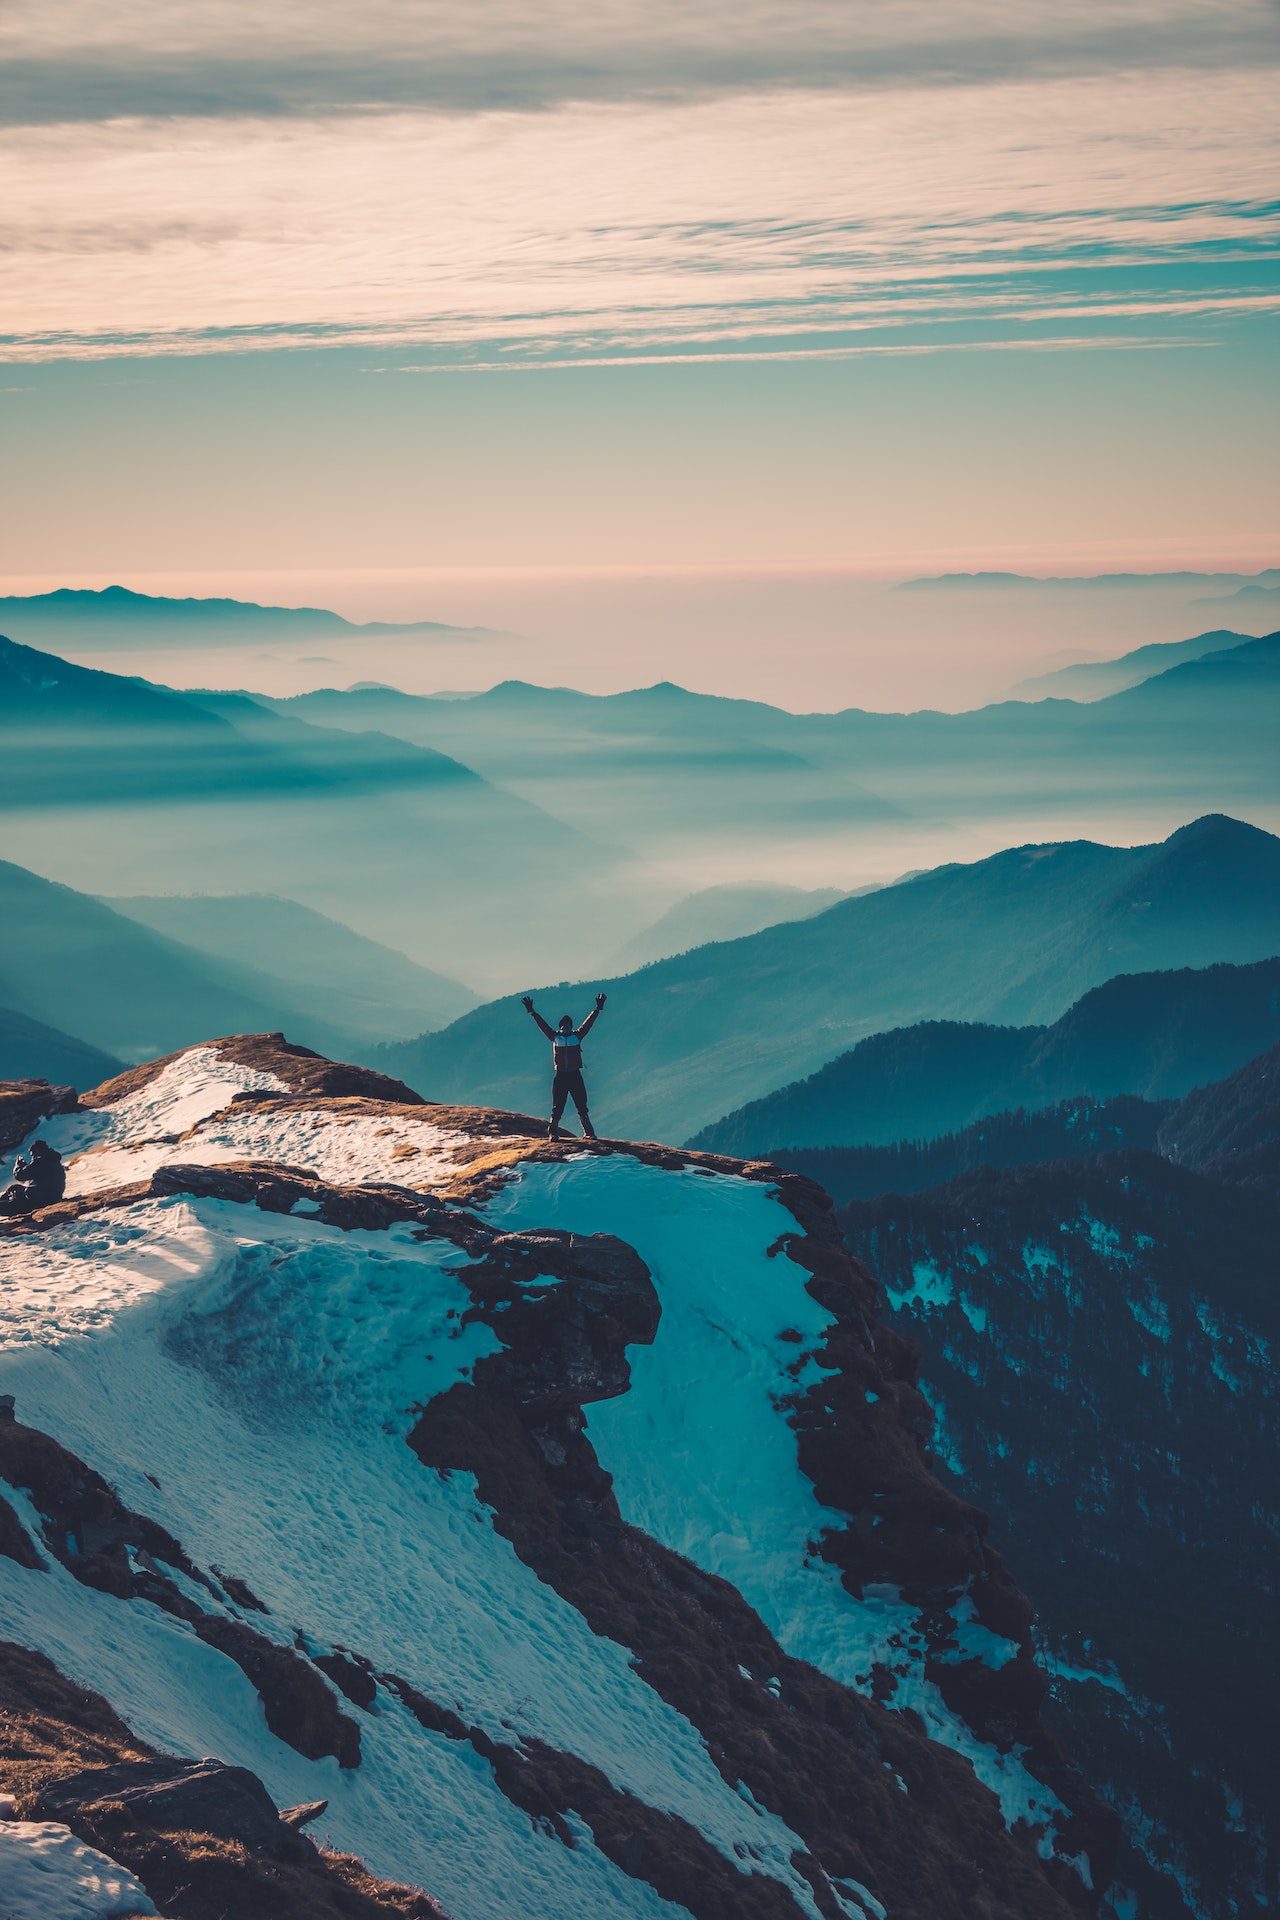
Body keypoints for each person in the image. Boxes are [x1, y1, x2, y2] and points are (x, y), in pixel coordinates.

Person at [522, 992, 607, 1140]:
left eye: (567, 1025)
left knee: (581, 1105)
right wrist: (532, 1012)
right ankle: (554, 1133)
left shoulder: (576, 1035)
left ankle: (588, 1133)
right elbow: (543, 1025)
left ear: (570, 1027)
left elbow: (588, 1023)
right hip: (563, 1076)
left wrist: (597, 1010)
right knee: (558, 1106)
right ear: (561, 1026)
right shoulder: (556, 1037)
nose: (565, 1028)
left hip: (572, 1075)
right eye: (563, 1025)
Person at [0, 1139, 67, 1217]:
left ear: (37, 1151)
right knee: (15, 1187)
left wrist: (18, 1166)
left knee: (4, 1206)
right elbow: (38, 1174)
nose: (32, 1157)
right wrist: (26, 1167)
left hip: (38, 1201)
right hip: (52, 1196)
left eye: (32, 1154)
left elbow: (20, 1176)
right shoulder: (52, 1159)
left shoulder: (40, 1161)